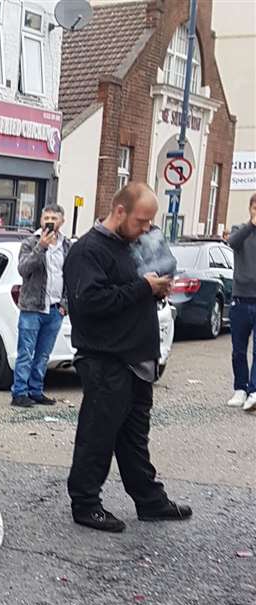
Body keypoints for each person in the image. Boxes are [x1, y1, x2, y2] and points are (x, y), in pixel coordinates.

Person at [63, 182, 191, 533]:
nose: (146, 229)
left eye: (151, 222)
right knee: (98, 434)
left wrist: (160, 280)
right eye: (141, 221)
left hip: (136, 358)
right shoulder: (88, 251)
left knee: (134, 437)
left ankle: (150, 500)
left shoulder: (134, 244)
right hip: (105, 359)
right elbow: (89, 304)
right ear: (119, 211)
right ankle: (86, 503)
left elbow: (158, 270)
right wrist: (143, 288)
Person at [11, 205, 72, 407]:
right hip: (32, 308)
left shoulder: (66, 246)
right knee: (26, 352)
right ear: (40, 220)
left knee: (44, 354)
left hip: (55, 309)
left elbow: (71, 277)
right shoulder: (30, 243)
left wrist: (65, 305)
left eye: (54, 217)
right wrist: (41, 248)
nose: (50, 220)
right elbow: (23, 269)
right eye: (47, 217)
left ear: (62, 221)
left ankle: (36, 390)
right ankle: (19, 392)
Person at [226, 192, 256, 411]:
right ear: (250, 208)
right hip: (240, 297)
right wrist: (251, 224)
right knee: (238, 348)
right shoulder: (240, 230)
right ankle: (240, 388)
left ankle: (254, 391)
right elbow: (232, 242)